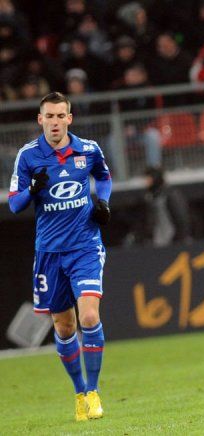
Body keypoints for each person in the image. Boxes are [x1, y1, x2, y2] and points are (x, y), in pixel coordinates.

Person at [8, 92, 112, 420]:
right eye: (49, 116)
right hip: (50, 254)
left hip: (85, 246)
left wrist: (103, 203)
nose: (55, 122)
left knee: (90, 317)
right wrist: (32, 191)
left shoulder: (88, 150)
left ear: (70, 118)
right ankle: (79, 391)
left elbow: (104, 178)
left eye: (60, 116)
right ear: (40, 120)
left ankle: (94, 392)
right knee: (65, 329)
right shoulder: (27, 157)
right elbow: (14, 204)